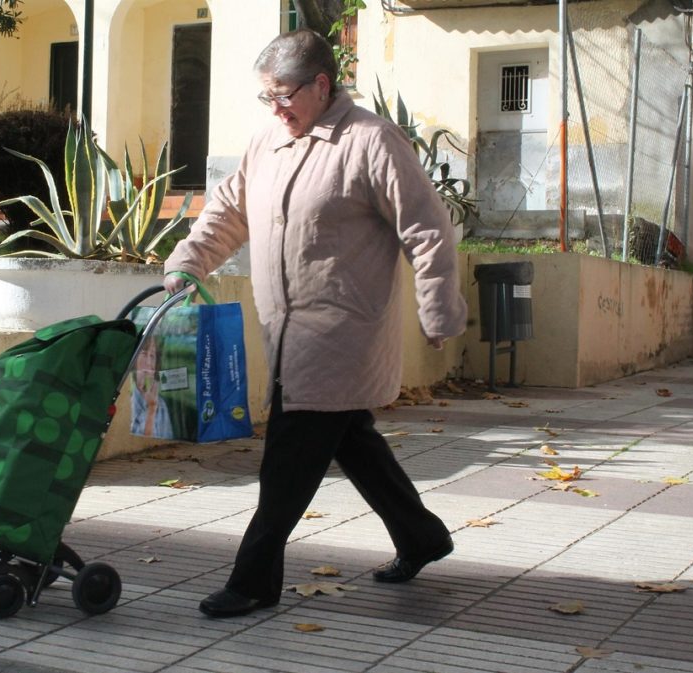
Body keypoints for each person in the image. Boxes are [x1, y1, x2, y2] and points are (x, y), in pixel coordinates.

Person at [162, 28, 468, 619]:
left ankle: (253, 581)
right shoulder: (268, 142)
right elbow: (227, 211)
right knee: (352, 441)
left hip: (340, 335)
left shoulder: (371, 142)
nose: (276, 109)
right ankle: (422, 537)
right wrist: (186, 263)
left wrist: (438, 308)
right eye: (266, 98)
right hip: (285, 330)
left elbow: (427, 230)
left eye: (284, 95)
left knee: (288, 461)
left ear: (322, 85)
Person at [130, 335, 175, 439]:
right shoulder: (129, 403)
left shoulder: (162, 405)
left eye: (152, 356)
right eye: (144, 354)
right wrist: (151, 409)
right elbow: (137, 444)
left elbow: (169, 442)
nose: (149, 363)